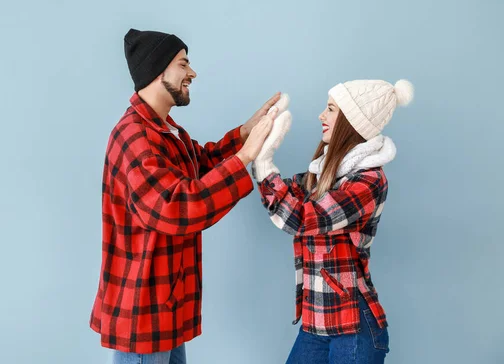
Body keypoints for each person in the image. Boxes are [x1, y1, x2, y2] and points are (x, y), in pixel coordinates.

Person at [89, 28, 284, 364]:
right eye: (183, 64)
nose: (192, 72)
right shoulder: (135, 137)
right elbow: (179, 207)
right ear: (157, 71)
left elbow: (202, 166)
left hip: (166, 309)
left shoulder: (166, 132)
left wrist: (243, 135)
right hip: (144, 314)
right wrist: (245, 157)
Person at [252, 79, 414, 363]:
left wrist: (265, 166)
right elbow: (286, 194)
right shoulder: (323, 173)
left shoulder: (368, 181)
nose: (321, 116)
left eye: (330, 109)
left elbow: (300, 218)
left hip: (353, 325)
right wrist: (261, 149)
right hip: (316, 322)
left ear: (351, 121)